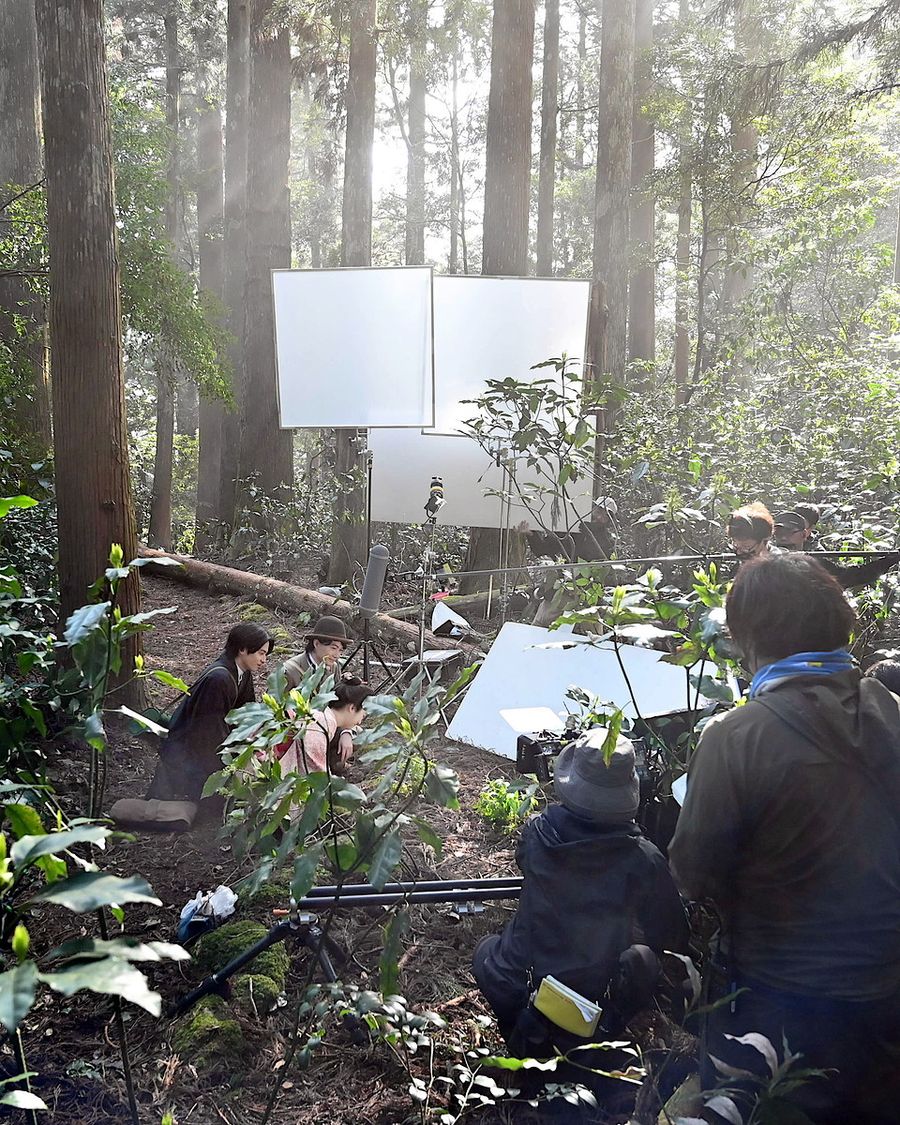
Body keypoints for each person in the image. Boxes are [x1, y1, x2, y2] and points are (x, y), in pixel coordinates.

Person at [668, 554, 900, 1124]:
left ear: (751, 640)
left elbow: (693, 872)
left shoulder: (736, 736)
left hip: (783, 999)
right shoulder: (891, 710)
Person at [472, 732, 688, 1057]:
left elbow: (530, 865)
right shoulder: (643, 858)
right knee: (642, 960)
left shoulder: (536, 832)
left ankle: (523, 1038)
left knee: (486, 949)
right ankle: (591, 1045)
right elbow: (672, 935)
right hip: (591, 1005)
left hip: (516, 984)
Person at [146, 623, 272, 803]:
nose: (264, 660)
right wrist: (234, 757)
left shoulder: (243, 672)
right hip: (189, 753)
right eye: (261, 652)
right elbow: (208, 732)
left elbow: (247, 711)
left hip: (215, 741)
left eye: (265, 654)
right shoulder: (218, 679)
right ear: (243, 649)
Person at [772, 508, 900, 590]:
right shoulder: (764, 556)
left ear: (804, 534)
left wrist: (888, 561)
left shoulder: (814, 561)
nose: (783, 538)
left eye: (789, 533)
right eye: (778, 533)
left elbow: (850, 577)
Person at [275, 674, 374, 776]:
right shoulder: (320, 726)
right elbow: (317, 775)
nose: (360, 721)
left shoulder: (323, 717)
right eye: (363, 714)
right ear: (352, 708)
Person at [282, 615, 350, 689]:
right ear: (316, 644)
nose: (337, 655)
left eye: (340, 650)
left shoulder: (334, 667)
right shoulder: (289, 671)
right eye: (333, 648)